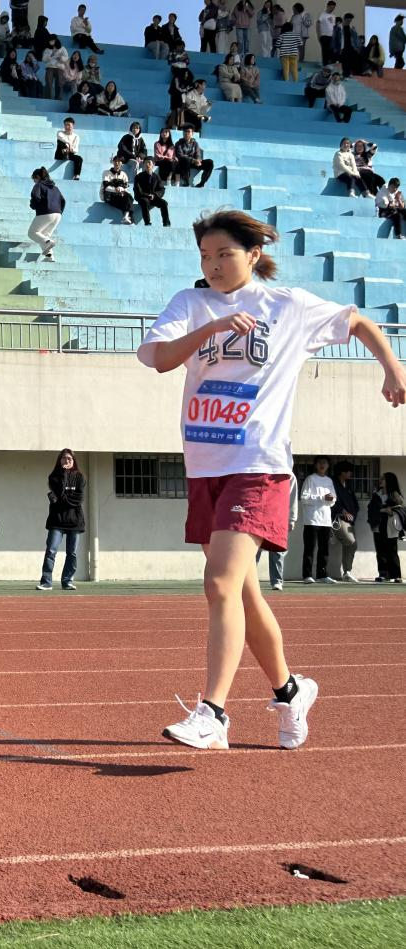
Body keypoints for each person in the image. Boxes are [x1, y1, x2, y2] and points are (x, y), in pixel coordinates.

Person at [137, 209, 406, 751]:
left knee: (219, 584)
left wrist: (393, 367)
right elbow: (157, 358)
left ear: (253, 254)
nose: (213, 265)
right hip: (205, 466)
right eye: (205, 256)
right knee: (242, 592)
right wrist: (211, 328)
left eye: (224, 254)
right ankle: (289, 690)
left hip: (258, 466)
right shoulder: (190, 304)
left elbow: (357, 322)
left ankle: (214, 713)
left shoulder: (288, 306)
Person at [37, 449, 85, 591]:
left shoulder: (80, 477)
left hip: (74, 521)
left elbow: (79, 499)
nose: (67, 460)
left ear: (74, 461)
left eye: (69, 458)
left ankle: (67, 581)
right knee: (51, 550)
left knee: (72, 553)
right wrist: (63, 473)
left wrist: (61, 500)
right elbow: (59, 491)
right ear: (59, 460)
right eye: (64, 458)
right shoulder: (54, 477)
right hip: (56, 521)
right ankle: (46, 582)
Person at [299, 456, 337, 583]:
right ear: (315, 465)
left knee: (324, 549)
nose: (322, 465)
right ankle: (307, 575)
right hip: (312, 519)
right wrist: (322, 498)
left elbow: (333, 499)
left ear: (328, 466)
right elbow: (304, 498)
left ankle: (322, 575)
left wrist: (331, 499)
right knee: (309, 548)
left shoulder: (329, 481)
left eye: (325, 463)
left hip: (325, 519)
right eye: (320, 463)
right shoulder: (310, 479)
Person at [327, 460, 360, 582]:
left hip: (350, 521)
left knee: (352, 545)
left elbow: (355, 503)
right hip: (338, 519)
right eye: (349, 471)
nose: (351, 473)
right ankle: (340, 572)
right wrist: (343, 512)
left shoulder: (348, 485)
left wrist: (353, 515)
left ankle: (347, 572)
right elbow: (332, 501)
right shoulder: (333, 484)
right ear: (342, 472)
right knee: (351, 542)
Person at [369, 473, 404, 582]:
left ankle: (396, 575)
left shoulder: (395, 494)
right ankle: (383, 574)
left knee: (392, 550)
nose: (380, 480)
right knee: (380, 550)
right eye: (380, 478)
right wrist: (383, 510)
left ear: (389, 480)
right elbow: (371, 509)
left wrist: (391, 511)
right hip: (378, 524)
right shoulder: (376, 494)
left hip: (390, 524)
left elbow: (400, 507)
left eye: (383, 478)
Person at [28, 167, 65, 262]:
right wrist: (59, 212)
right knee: (44, 235)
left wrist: (33, 205)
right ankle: (50, 257)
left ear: (37, 177)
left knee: (32, 233)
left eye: (34, 179)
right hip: (58, 215)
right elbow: (63, 201)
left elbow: (35, 196)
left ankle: (48, 242)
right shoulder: (55, 188)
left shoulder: (39, 185)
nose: (34, 182)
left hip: (46, 213)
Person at [132, 156, 171, 228]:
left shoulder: (156, 177)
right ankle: (147, 223)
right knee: (144, 201)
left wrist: (154, 195)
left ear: (153, 164)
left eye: (149, 163)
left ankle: (166, 223)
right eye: (145, 163)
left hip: (154, 198)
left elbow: (161, 189)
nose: (147, 165)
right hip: (142, 197)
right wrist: (148, 195)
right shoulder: (138, 177)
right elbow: (138, 191)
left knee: (164, 203)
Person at [101, 156, 134, 225]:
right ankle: (130, 219)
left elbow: (126, 187)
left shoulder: (124, 175)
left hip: (120, 196)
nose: (117, 163)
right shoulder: (106, 173)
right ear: (113, 162)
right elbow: (106, 187)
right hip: (109, 196)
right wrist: (116, 189)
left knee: (129, 198)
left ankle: (126, 216)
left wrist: (121, 189)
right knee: (128, 200)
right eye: (115, 161)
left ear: (122, 163)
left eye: (119, 161)